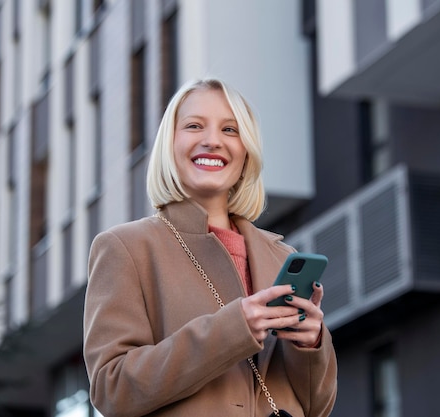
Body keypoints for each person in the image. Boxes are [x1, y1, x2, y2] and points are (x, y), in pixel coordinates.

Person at [83, 78, 337, 417]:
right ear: (169, 145)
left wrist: (309, 344)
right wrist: (234, 328)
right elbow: (112, 389)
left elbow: (317, 407)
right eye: (193, 126)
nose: (212, 141)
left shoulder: (282, 256)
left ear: (246, 152)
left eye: (230, 130)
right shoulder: (126, 248)